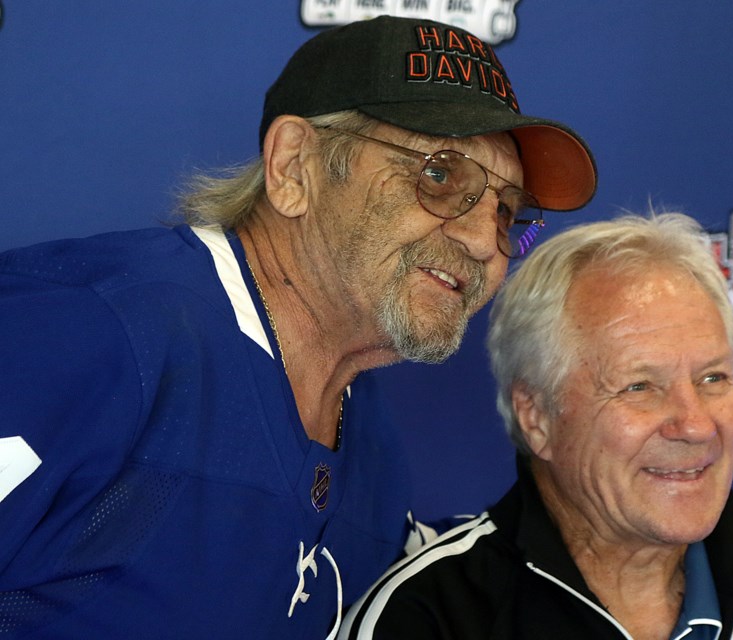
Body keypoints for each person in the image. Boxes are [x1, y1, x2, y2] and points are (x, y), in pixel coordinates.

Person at [0, 16, 596, 640]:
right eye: (440, 175)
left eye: (506, 211)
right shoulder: (87, 334)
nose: (482, 241)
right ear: (294, 168)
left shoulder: (370, 442)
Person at [339, 213, 733, 640]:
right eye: (640, 386)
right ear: (537, 416)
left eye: (714, 377)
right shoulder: (432, 618)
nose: (694, 424)